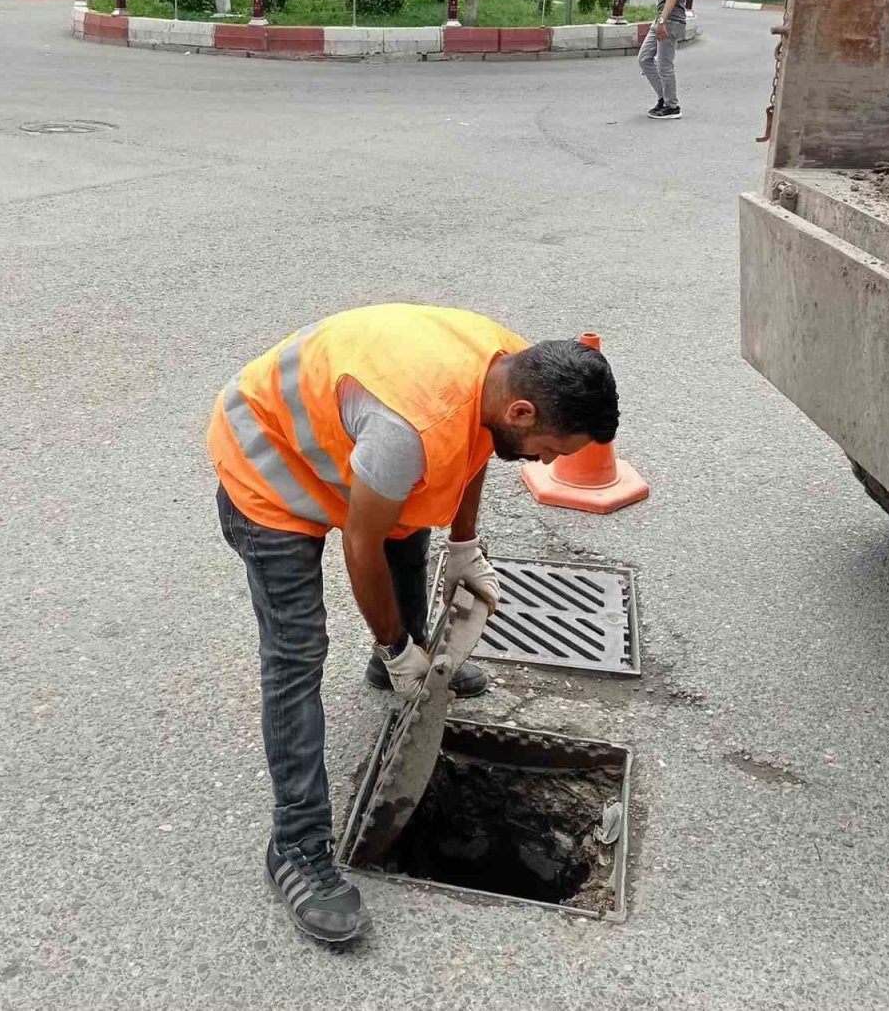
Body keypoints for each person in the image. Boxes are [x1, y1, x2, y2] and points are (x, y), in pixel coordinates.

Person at [207, 304, 620, 944]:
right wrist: (395, 644)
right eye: (546, 450)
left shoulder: (511, 368)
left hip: (361, 450)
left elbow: (478, 451)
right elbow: (361, 545)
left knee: (409, 522)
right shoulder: (410, 427)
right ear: (523, 412)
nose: (540, 462)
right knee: (297, 651)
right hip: (269, 463)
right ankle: (295, 846)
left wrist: (464, 545)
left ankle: (396, 663)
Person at [639, 0, 688, 121]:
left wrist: (662, 21)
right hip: (663, 18)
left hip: (670, 20)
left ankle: (671, 106)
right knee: (644, 58)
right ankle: (664, 98)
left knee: (664, 65)